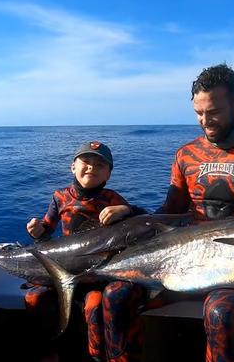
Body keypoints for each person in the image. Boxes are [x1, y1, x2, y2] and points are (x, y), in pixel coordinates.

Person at [101, 63, 234, 362]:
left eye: (213, 111)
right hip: (181, 264)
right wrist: (131, 211)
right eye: (198, 113)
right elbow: (170, 211)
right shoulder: (186, 155)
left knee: (220, 312)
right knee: (115, 296)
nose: (205, 120)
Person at [25, 140, 144, 361]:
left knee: (95, 305)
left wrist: (127, 209)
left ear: (108, 174)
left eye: (100, 165)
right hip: (63, 270)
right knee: (34, 298)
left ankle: (95, 357)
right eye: (86, 162)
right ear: (72, 166)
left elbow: (145, 222)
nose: (91, 167)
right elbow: (46, 232)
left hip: (96, 275)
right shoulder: (60, 197)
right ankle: (49, 353)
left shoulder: (112, 199)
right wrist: (37, 230)